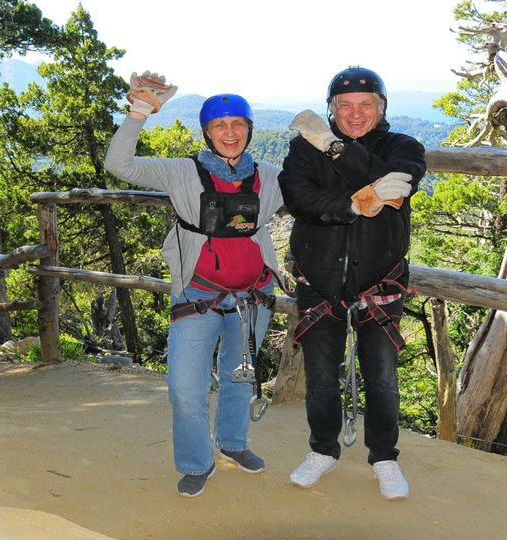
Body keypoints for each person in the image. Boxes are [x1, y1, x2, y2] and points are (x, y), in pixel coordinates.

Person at [104, 71, 284, 497]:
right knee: (185, 388)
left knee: (240, 375)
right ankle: (196, 462)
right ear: (206, 132)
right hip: (198, 294)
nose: (229, 133)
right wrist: (140, 111)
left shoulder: (272, 177)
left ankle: (233, 442)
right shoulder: (182, 172)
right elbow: (119, 164)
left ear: (249, 130)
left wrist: (328, 147)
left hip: (254, 295)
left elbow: (321, 192)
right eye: (219, 125)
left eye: (237, 124)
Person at [278, 66, 426, 500]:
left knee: (382, 377)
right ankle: (322, 450)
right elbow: (299, 199)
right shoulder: (302, 148)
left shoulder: (403, 147)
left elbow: (396, 189)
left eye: (366, 104)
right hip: (319, 278)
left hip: (379, 278)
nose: (355, 113)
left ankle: (384, 458)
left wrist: (333, 147)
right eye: (345, 105)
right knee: (321, 376)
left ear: (381, 108)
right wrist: (357, 203)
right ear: (332, 108)